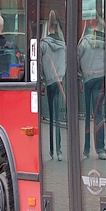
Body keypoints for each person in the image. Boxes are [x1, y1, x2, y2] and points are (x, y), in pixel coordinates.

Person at [78, 16, 106, 159]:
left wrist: (80, 79)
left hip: (87, 79)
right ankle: (100, 149)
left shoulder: (84, 43)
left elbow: (77, 61)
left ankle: (86, 148)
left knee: (87, 115)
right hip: (101, 79)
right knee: (99, 113)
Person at [40, 11, 66, 161]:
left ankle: (51, 150)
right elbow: (66, 63)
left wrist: (43, 82)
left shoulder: (43, 44)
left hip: (49, 83)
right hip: (60, 82)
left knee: (50, 118)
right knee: (57, 118)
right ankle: (60, 150)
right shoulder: (63, 45)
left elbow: (40, 65)